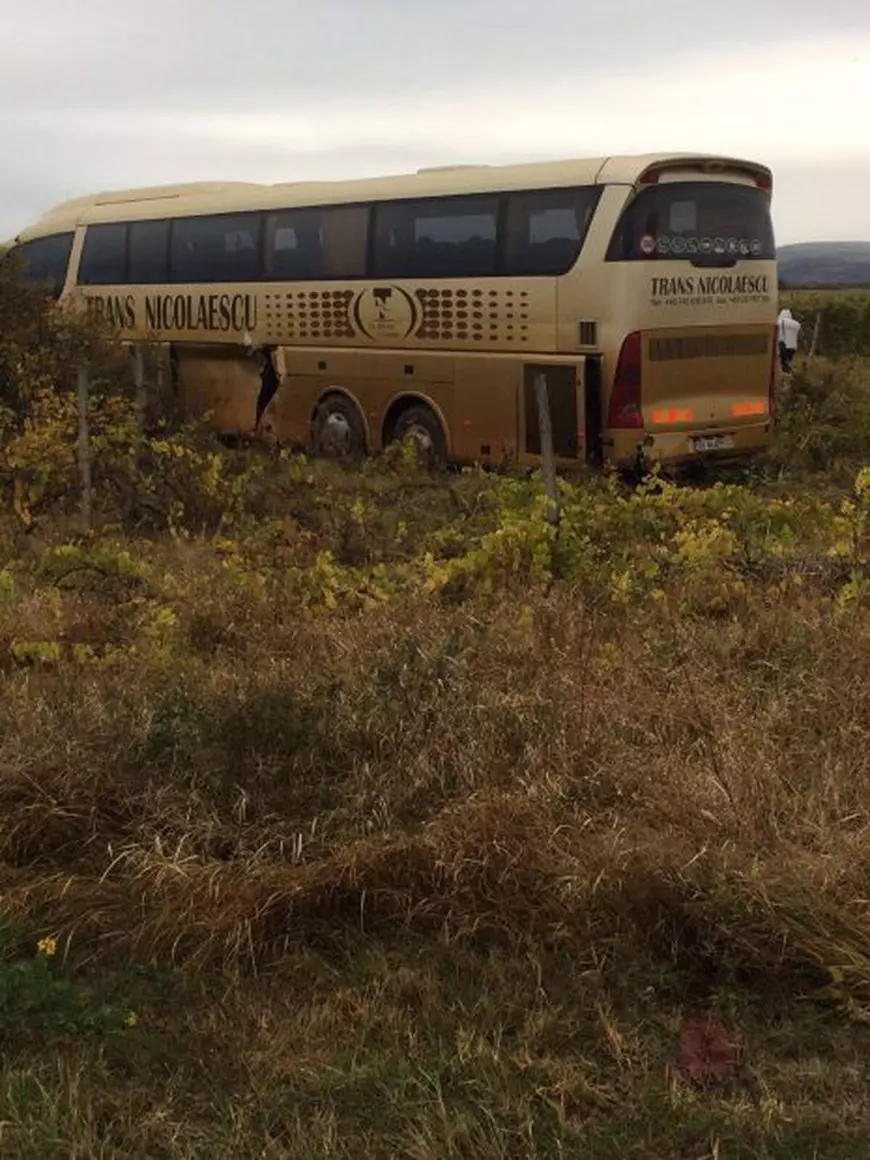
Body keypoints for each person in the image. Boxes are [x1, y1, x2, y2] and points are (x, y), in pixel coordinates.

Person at [778, 308, 801, 373]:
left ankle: (785, 376)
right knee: (787, 362)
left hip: (783, 346)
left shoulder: (779, 322)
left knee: (782, 363)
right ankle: (788, 373)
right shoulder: (797, 324)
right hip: (793, 347)